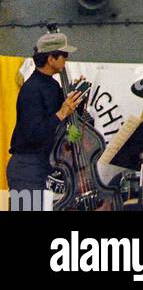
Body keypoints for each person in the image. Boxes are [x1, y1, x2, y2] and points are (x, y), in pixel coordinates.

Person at [6, 31, 85, 210]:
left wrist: (77, 101)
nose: (66, 60)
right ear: (51, 59)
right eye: (64, 56)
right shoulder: (31, 90)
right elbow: (34, 133)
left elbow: (65, 123)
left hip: (42, 165)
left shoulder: (52, 85)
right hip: (27, 167)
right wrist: (62, 112)